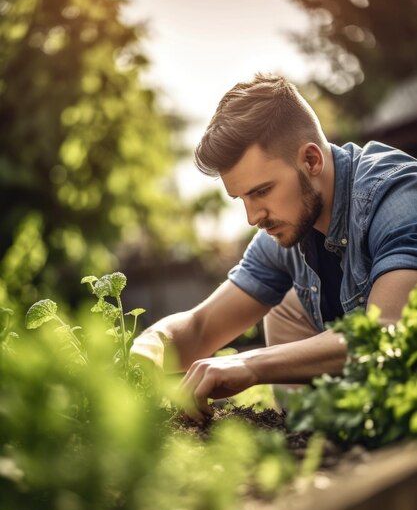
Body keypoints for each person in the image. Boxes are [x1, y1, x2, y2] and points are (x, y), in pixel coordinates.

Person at [131, 73, 417, 421]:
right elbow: (201, 327)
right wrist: (144, 350)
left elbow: (385, 331)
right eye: (241, 198)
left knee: (288, 303)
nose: (253, 217)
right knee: (287, 302)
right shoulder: (286, 230)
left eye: (261, 191)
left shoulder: (397, 196)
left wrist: (251, 364)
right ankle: (314, 438)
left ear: (311, 160)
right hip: (377, 405)